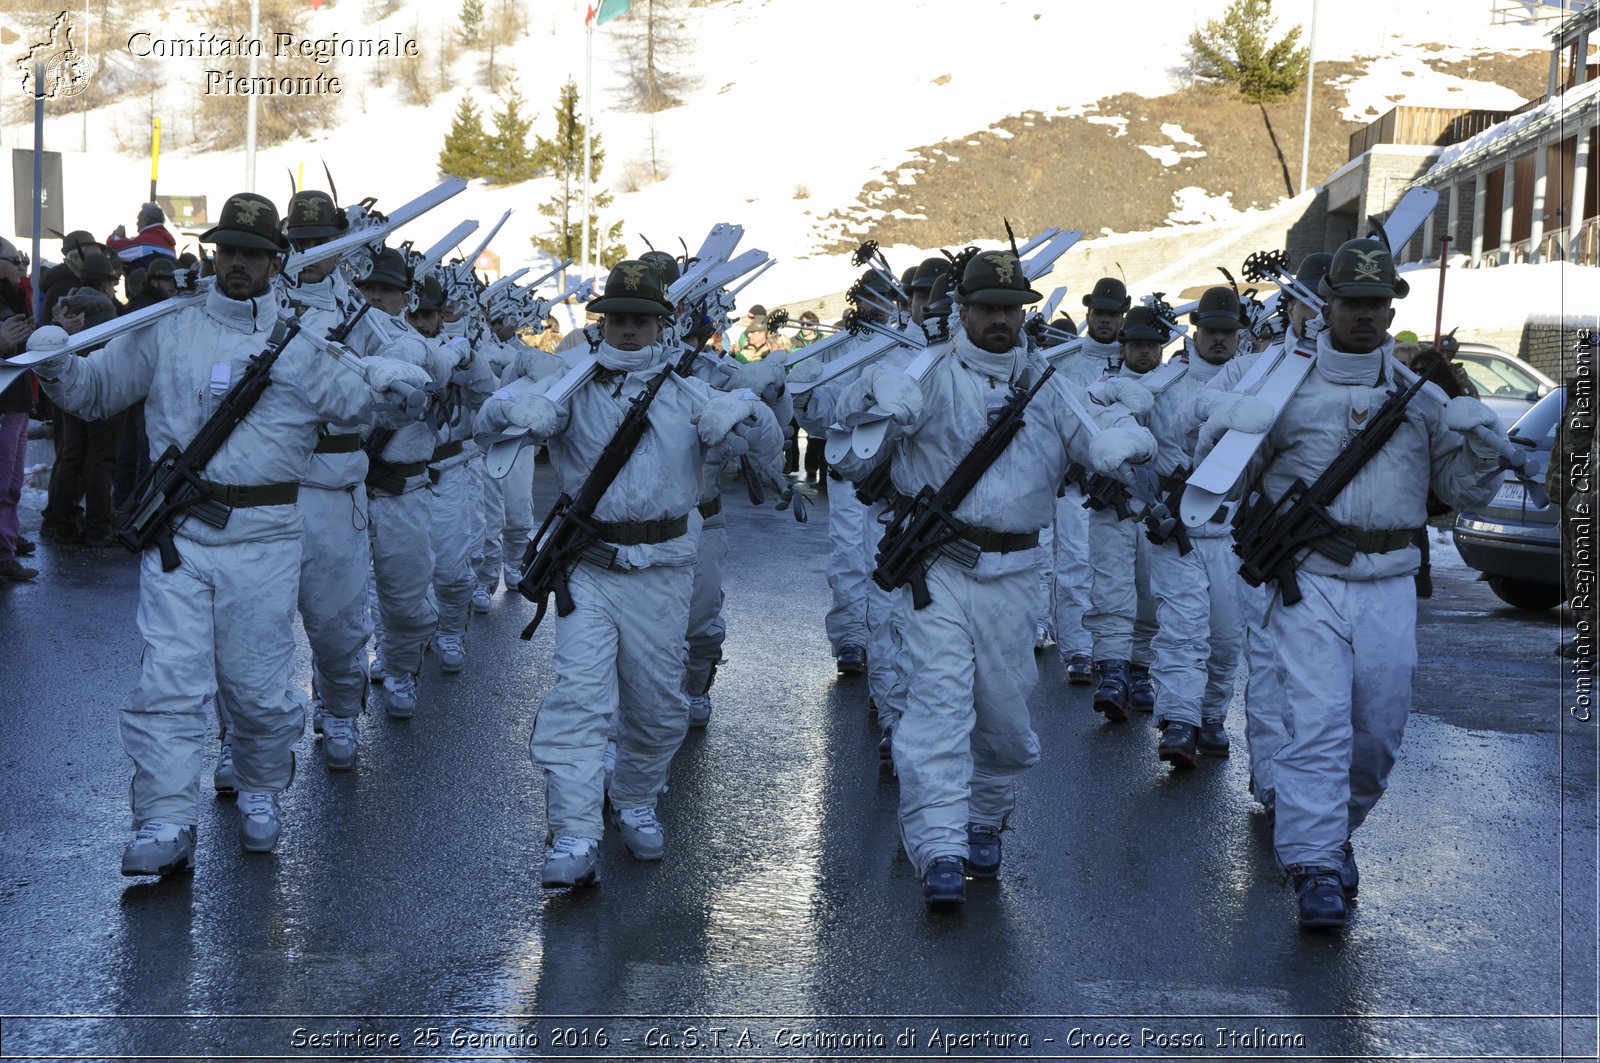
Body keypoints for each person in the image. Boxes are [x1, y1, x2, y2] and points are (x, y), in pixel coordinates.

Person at [25, 192, 378, 873]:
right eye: (227, 250)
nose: (236, 264)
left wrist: (349, 367)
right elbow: (98, 392)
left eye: (250, 252)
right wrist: (58, 367)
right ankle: (164, 817)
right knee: (170, 683)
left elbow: (360, 405)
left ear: (277, 259)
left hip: (268, 537)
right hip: (178, 537)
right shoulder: (169, 328)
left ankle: (260, 786)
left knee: (257, 685)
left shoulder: (304, 338)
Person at [827, 249, 1157, 906]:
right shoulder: (927, 373)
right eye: (988, 308)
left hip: (1017, 576)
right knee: (940, 708)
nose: (1000, 320)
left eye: (1011, 309)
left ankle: (984, 814)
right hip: (939, 570)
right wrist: (868, 396)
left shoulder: (1049, 384)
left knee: (1004, 720)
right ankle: (941, 842)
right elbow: (843, 434)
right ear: (965, 310)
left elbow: (1091, 441)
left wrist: (1119, 442)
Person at [1209, 237, 1506, 929]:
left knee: (1377, 733)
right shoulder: (1284, 387)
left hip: (1392, 582)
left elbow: (1455, 488)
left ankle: (1334, 832)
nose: (1367, 315)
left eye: (1378, 303)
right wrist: (1232, 431)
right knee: (1316, 726)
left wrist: (1483, 446)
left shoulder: (1419, 397)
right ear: (1328, 305)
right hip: (1310, 580)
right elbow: (1227, 482)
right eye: (1354, 302)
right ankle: (1313, 863)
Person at [475, 260, 768, 887]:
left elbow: (764, 453)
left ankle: (635, 798)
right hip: (589, 567)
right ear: (601, 321)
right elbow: (488, 423)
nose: (630, 330)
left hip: (664, 570)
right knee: (579, 701)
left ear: (662, 325)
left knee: (659, 709)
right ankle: (575, 834)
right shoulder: (569, 380)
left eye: (643, 320)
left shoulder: (692, 390)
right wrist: (509, 410)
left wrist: (747, 412)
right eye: (619, 319)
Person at [1141, 287, 1252, 767]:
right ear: (1195, 332)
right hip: (1177, 532)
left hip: (1229, 535)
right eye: (1211, 331)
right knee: (1183, 631)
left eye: (1228, 332)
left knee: (1226, 639)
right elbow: (1130, 442)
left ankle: (1210, 718)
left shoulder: (1256, 385)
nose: (1219, 340)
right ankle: (1179, 722)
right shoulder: (1165, 385)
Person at [1082, 307, 1164, 720]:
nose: (1145, 352)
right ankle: (1112, 671)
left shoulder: (1173, 388)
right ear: (1123, 347)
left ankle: (1140, 669)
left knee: (1151, 595)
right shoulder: (1101, 389)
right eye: (1137, 344)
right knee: (1111, 588)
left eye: (1152, 344)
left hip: (1157, 510)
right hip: (1112, 505)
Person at [0, 237, 37, 583]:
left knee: (11, 484)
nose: (23, 266)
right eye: (16, 260)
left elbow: (21, 345)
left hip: (17, 402)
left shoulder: (13, 294)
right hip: (6, 405)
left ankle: (7, 544)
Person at [106, 202, 178, 275]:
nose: (137, 223)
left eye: (138, 219)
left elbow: (113, 248)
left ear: (145, 218)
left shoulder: (146, 241)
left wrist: (116, 235)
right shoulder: (167, 241)